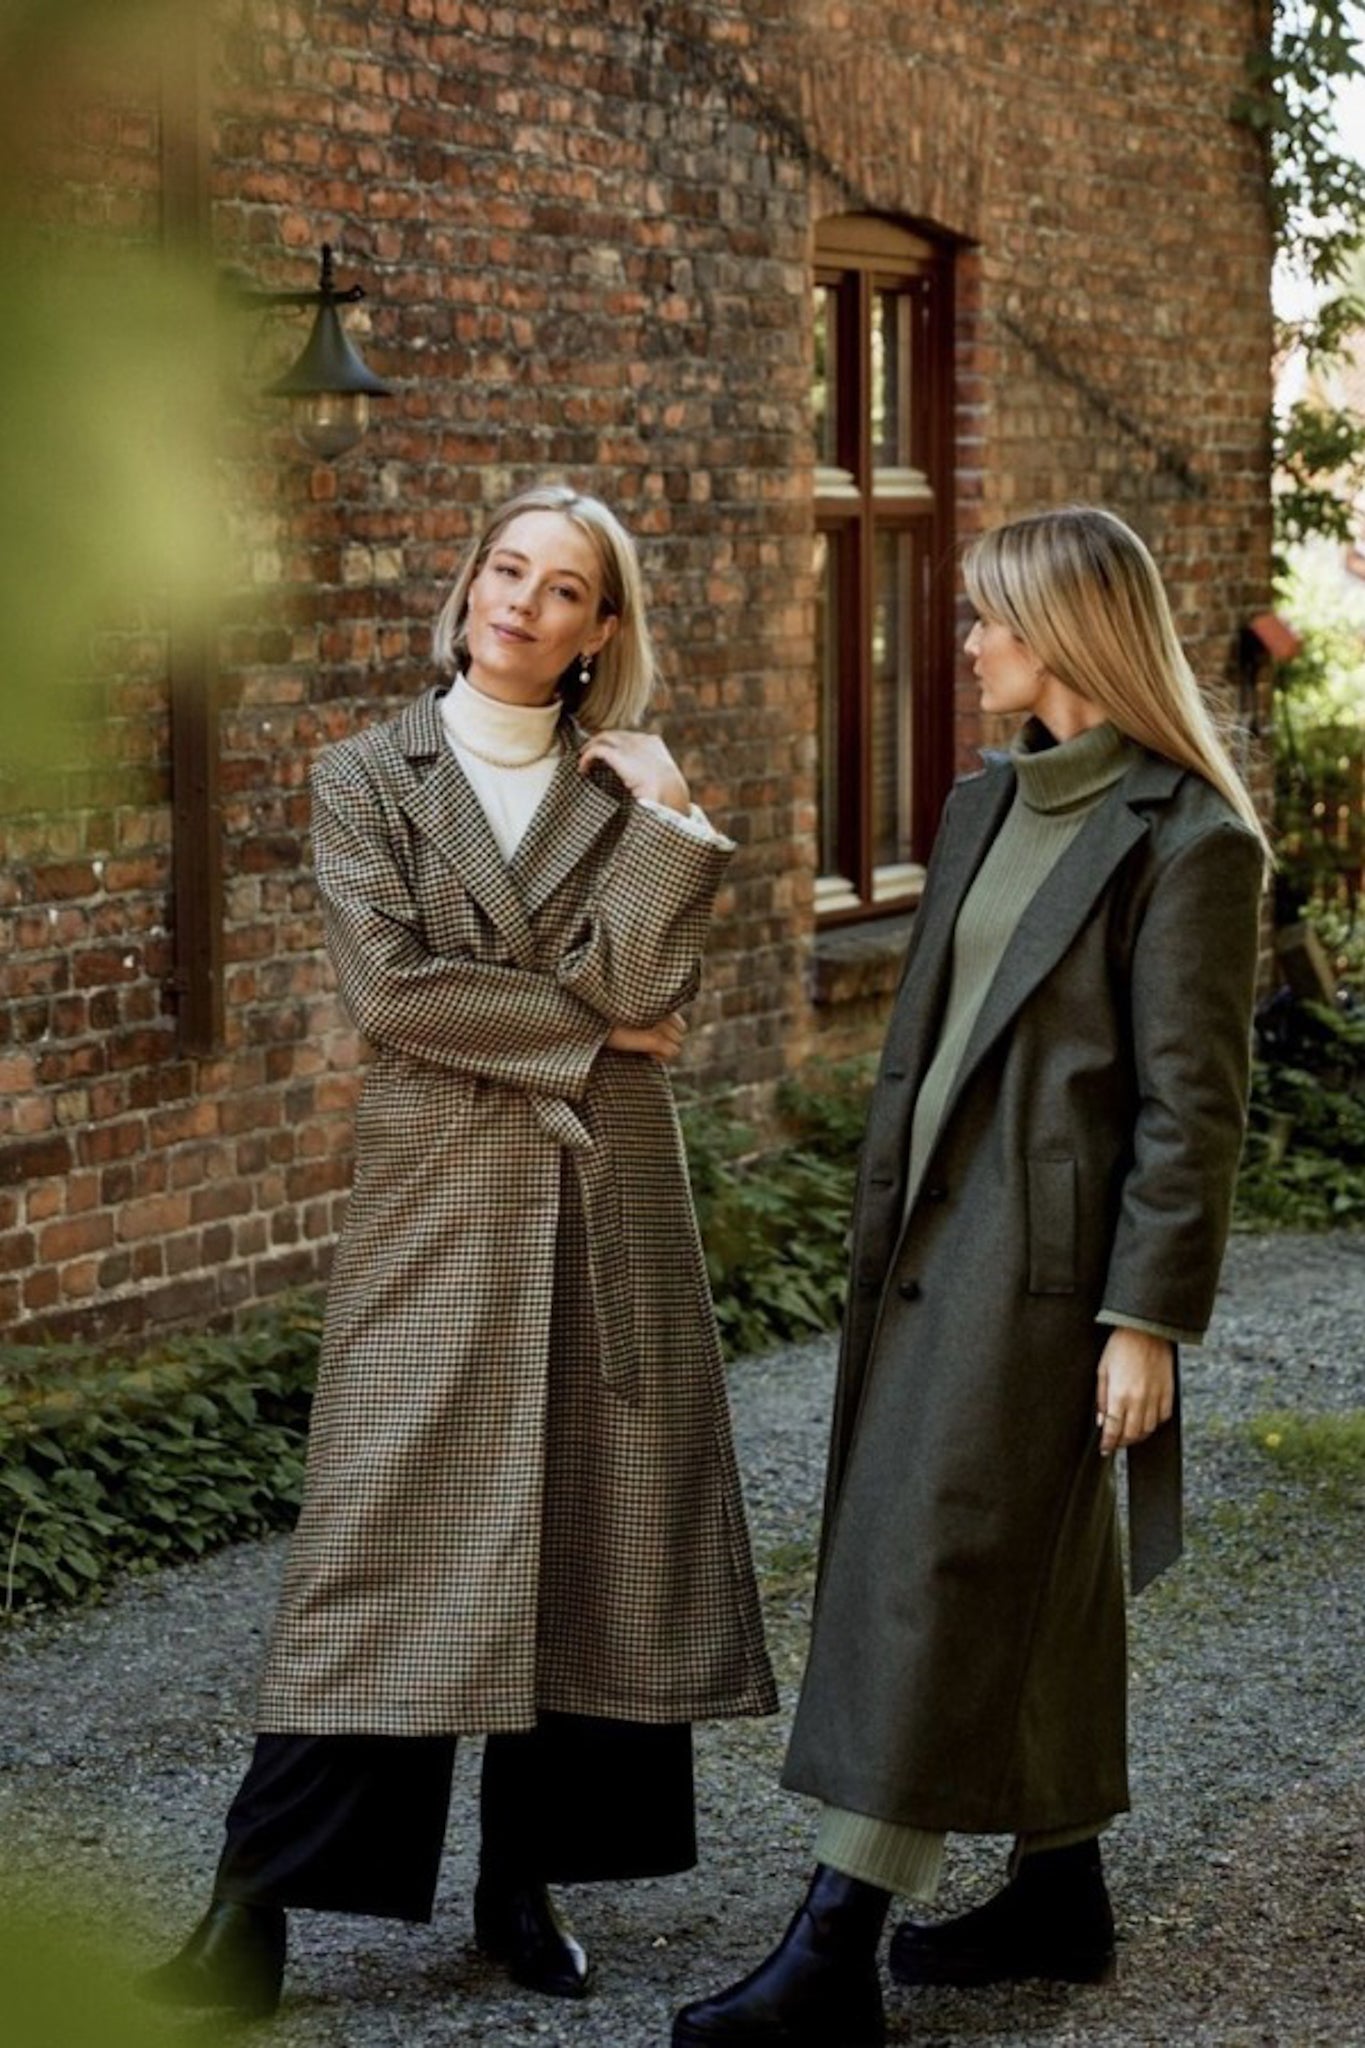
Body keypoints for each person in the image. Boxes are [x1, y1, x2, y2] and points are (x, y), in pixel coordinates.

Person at [142, 482, 777, 2021]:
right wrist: (596, 1027)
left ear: (598, 631)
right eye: (508, 570)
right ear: (469, 584)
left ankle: (522, 1883)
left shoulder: (624, 786)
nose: (524, 604)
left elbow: (654, 973)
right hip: (433, 1214)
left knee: (585, 1547)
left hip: (601, 1207)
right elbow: (396, 996)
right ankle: (252, 1911)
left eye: (565, 590)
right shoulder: (366, 774)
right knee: (378, 1560)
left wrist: (676, 810)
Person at [672, 504, 1269, 2048]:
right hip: (926, 1243)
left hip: (1047, 1271)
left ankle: (828, 1953)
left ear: (1064, 634)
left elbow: (1188, 1110)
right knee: (1041, 1562)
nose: (968, 644)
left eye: (988, 618)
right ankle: (1057, 1891)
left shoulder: (1188, 841)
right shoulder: (979, 808)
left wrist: (1145, 1319)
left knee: (936, 1560)